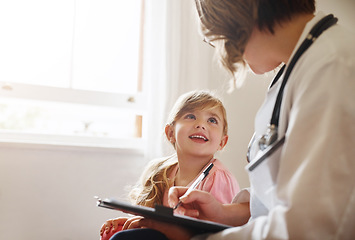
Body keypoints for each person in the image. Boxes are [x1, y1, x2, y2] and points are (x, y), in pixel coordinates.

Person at [111, 0, 355, 239]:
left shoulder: (333, 67)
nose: (223, 51)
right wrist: (222, 213)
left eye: (215, 38)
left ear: (234, 15)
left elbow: (311, 228)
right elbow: (274, 200)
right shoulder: (294, 70)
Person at [100, 90, 244, 240]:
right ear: (170, 133)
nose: (201, 125)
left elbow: (216, 234)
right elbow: (163, 222)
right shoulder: (164, 173)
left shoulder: (218, 178)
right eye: (191, 116)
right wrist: (137, 222)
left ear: (222, 142)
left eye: (212, 120)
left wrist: (150, 225)